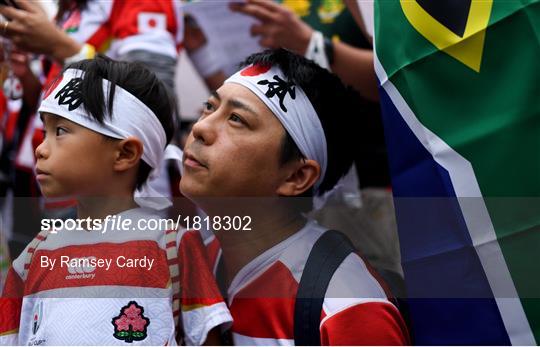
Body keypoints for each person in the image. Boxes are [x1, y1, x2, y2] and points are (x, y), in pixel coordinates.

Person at [179, 48, 409, 345]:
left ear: (296, 177)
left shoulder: (347, 308)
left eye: (236, 119)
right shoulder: (192, 257)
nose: (199, 128)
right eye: (210, 107)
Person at [0, 56, 231, 345]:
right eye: (44, 130)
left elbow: (205, 336)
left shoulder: (172, 246)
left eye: (60, 131)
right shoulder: (33, 257)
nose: (40, 149)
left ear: (124, 154)